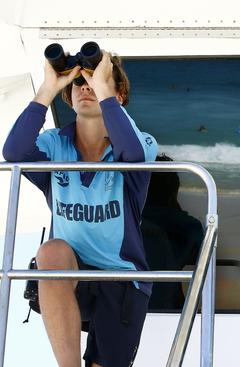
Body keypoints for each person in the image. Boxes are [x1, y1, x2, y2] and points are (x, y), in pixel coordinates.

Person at [2, 48, 158, 366]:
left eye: (94, 80)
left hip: (123, 279)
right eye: (79, 83)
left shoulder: (143, 143)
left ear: (119, 94)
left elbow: (132, 153)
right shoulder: (54, 144)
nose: (85, 87)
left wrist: (102, 88)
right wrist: (49, 87)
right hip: (70, 275)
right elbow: (14, 151)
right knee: (51, 251)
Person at [141, 154, 204, 310]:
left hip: (127, 306)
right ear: (173, 189)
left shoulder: (124, 222)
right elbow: (200, 259)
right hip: (169, 306)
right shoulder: (189, 226)